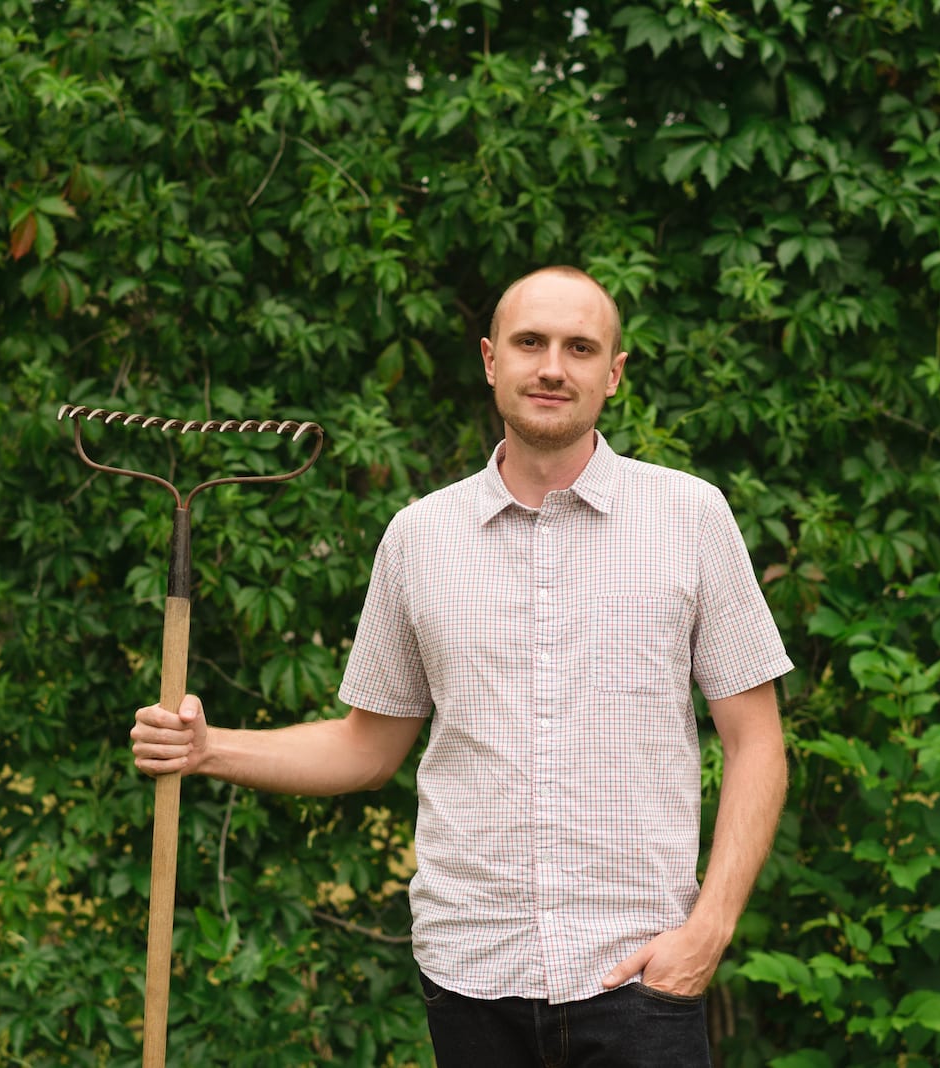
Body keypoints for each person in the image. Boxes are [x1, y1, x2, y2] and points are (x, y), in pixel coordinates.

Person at [130, 265, 794, 1066]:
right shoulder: (420, 538)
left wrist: (708, 930)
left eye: (580, 347)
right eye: (530, 343)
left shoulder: (691, 518)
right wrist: (207, 750)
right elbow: (366, 747)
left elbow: (757, 742)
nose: (553, 366)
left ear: (613, 373)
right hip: (472, 979)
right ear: (490, 360)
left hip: (642, 981)